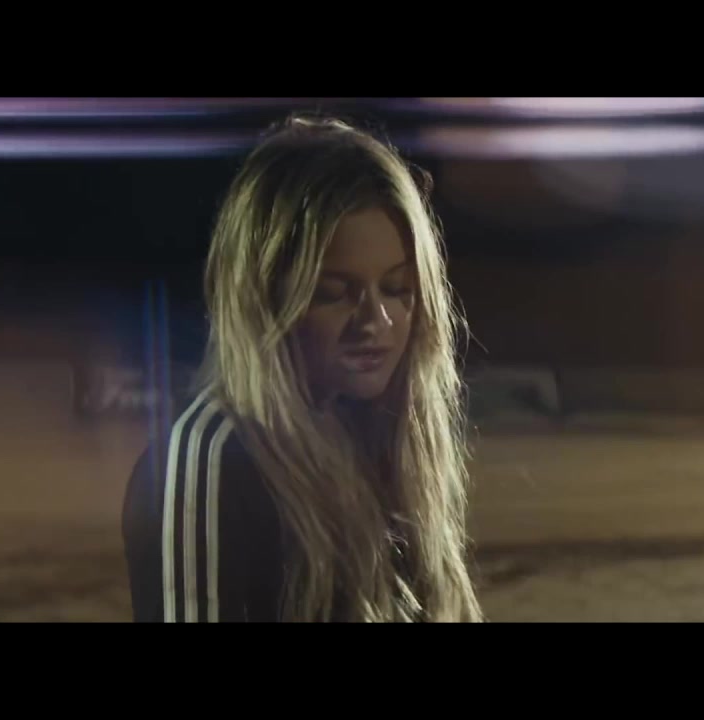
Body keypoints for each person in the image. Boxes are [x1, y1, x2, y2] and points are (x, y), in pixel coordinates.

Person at [122, 114, 484, 622]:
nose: (375, 321)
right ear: (263, 297)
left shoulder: (389, 436)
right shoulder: (209, 458)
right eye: (334, 293)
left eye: (397, 289)